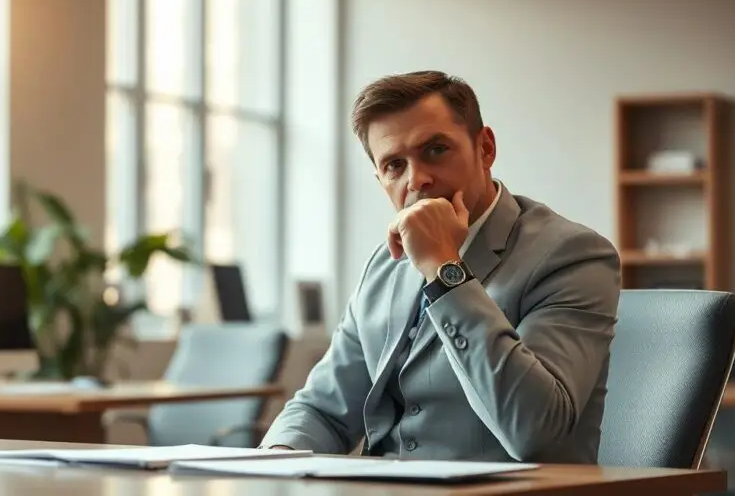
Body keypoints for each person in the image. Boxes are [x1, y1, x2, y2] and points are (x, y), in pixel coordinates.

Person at [260, 70, 621, 463]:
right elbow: (323, 411)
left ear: (485, 148)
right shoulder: (386, 264)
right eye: (395, 165)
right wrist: (276, 459)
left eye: (435, 150)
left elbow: (534, 432)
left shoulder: (571, 255)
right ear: (381, 179)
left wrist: (444, 269)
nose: (418, 180)